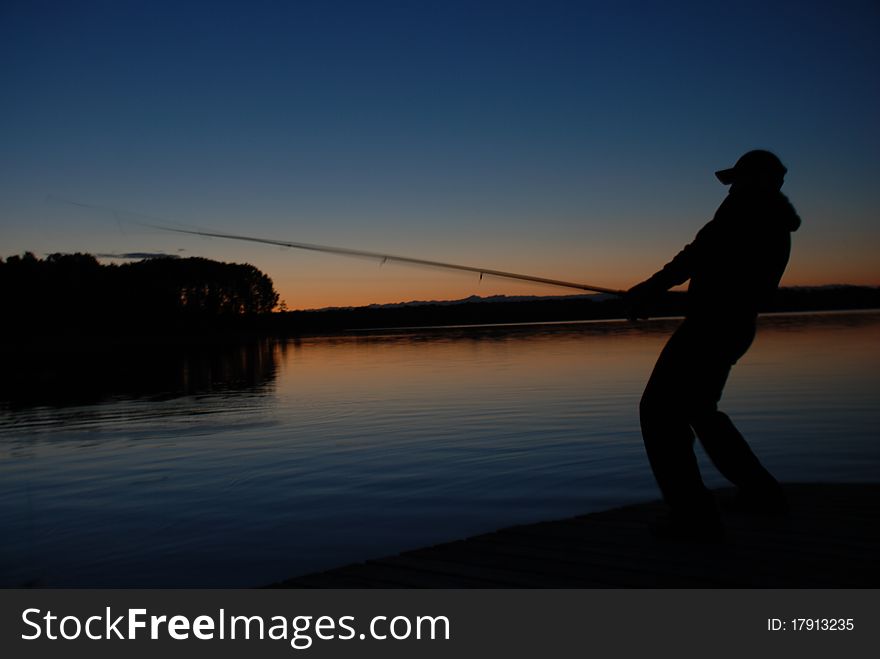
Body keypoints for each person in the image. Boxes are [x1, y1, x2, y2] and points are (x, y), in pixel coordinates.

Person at [626, 149, 801, 540]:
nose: (731, 188)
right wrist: (653, 293)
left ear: (755, 179)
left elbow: (696, 256)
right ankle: (762, 493)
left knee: (659, 411)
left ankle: (693, 515)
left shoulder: (745, 211)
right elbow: (708, 261)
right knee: (700, 411)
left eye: (737, 180)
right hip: (732, 325)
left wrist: (647, 291)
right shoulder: (771, 217)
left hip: (711, 327)